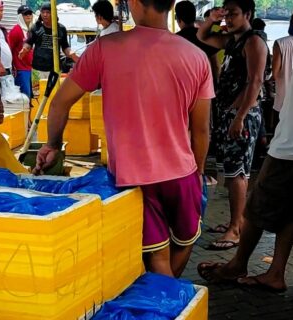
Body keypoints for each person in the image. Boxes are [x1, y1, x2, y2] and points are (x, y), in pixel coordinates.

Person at [33, 0, 213, 278]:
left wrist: (53, 145)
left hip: (133, 177)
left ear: (135, 3)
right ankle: (170, 294)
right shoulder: (197, 56)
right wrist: (199, 172)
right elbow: (201, 129)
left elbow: (59, 104)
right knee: (185, 241)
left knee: (156, 256)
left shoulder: (105, 49)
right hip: (182, 172)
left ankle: (163, 296)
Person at [198, 0, 293, 292]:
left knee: (256, 206)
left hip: (292, 146)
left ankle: (237, 264)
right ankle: (275, 273)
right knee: (288, 212)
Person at [198, 0, 268, 251]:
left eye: (234, 14)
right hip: (228, 114)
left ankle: (236, 229)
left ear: (248, 14)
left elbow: (255, 81)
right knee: (230, 171)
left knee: (238, 173)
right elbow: (202, 35)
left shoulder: (254, 41)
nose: (229, 19)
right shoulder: (232, 41)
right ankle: (234, 220)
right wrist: (213, 18)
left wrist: (239, 116)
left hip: (243, 116)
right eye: (226, 14)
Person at [21, 3, 79, 78]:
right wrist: (25, 49)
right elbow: (29, 42)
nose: (45, 15)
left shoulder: (61, 29)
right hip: (37, 69)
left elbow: (65, 46)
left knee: (54, 90)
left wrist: (71, 53)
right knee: (38, 90)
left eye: (48, 12)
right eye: (43, 12)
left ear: (54, 13)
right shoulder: (36, 27)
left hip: (54, 69)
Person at [176, 1, 223, 87]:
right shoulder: (205, 36)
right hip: (205, 88)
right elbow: (215, 65)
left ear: (178, 19)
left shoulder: (174, 40)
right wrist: (216, 85)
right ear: (194, 17)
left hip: (184, 88)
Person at [9, 5, 35, 98]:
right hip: (20, 70)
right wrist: (12, 67)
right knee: (25, 98)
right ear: (20, 16)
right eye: (25, 14)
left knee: (29, 98)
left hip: (28, 68)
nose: (28, 16)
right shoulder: (16, 30)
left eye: (30, 13)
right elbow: (9, 49)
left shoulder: (30, 31)